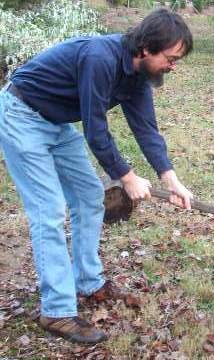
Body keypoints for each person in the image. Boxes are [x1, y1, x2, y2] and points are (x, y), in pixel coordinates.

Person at [0, 9, 193, 344]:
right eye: (171, 58)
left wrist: (170, 180)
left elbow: (146, 130)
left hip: (55, 122)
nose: (173, 66)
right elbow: (95, 129)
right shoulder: (99, 58)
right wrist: (126, 176)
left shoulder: (137, 77)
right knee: (49, 212)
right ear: (146, 48)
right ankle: (57, 311)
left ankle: (88, 281)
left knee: (90, 196)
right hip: (21, 114)